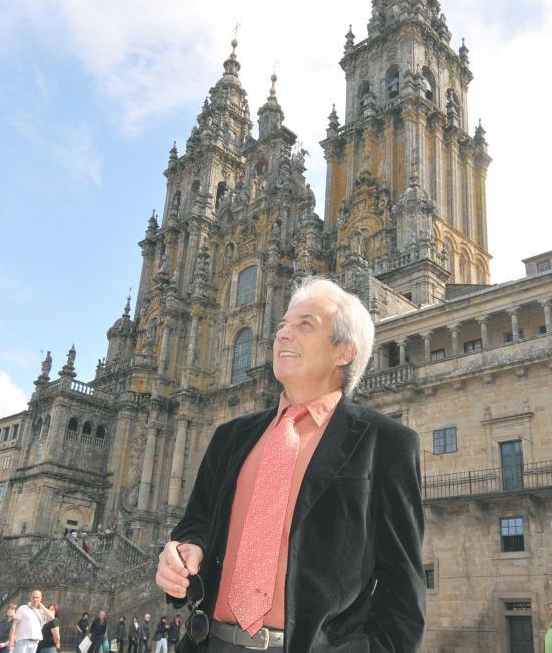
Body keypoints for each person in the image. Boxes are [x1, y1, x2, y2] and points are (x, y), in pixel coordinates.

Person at [155, 277, 425, 651]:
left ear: (344, 351)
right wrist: (184, 553)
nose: (282, 334)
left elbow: (403, 587)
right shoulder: (230, 437)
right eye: (282, 325)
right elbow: (196, 523)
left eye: (304, 325)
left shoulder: (388, 444)